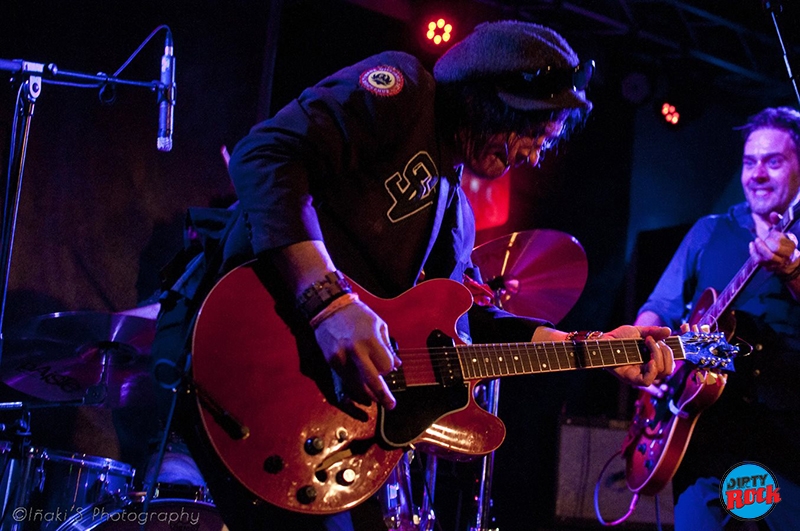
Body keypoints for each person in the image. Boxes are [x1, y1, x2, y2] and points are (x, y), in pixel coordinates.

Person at [154, 20, 675, 531]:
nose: (535, 154)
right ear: (489, 102)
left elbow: (468, 326)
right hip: (247, 354)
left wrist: (596, 346)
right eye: (533, 132)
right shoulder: (404, 91)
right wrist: (330, 304)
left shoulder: (457, 215)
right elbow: (265, 154)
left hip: (327, 417)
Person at [634, 106, 800, 530]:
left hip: (788, 444)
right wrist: (644, 360)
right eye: (749, 162)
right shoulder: (709, 231)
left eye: (773, 162)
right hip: (706, 439)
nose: (757, 174)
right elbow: (658, 309)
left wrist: (794, 272)